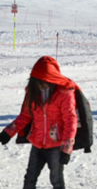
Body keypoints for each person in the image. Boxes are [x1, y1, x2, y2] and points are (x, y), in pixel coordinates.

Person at [1, 57, 79, 189]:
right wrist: (8, 132)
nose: (41, 84)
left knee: (56, 180)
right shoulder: (32, 92)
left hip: (56, 145)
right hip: (37, 143)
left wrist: (66, 148)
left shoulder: (64, 93)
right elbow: (25, 115)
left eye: (45, 80)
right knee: (29, 178)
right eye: (38, 80)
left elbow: (70, 120)